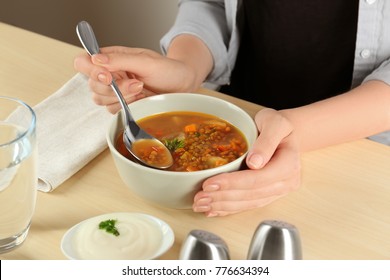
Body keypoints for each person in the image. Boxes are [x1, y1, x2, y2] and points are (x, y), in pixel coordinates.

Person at [74, 0, 390, 217]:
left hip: (362, 148)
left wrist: (294, 129)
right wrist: (185, 68)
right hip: (237, 109)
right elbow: (210, 3)